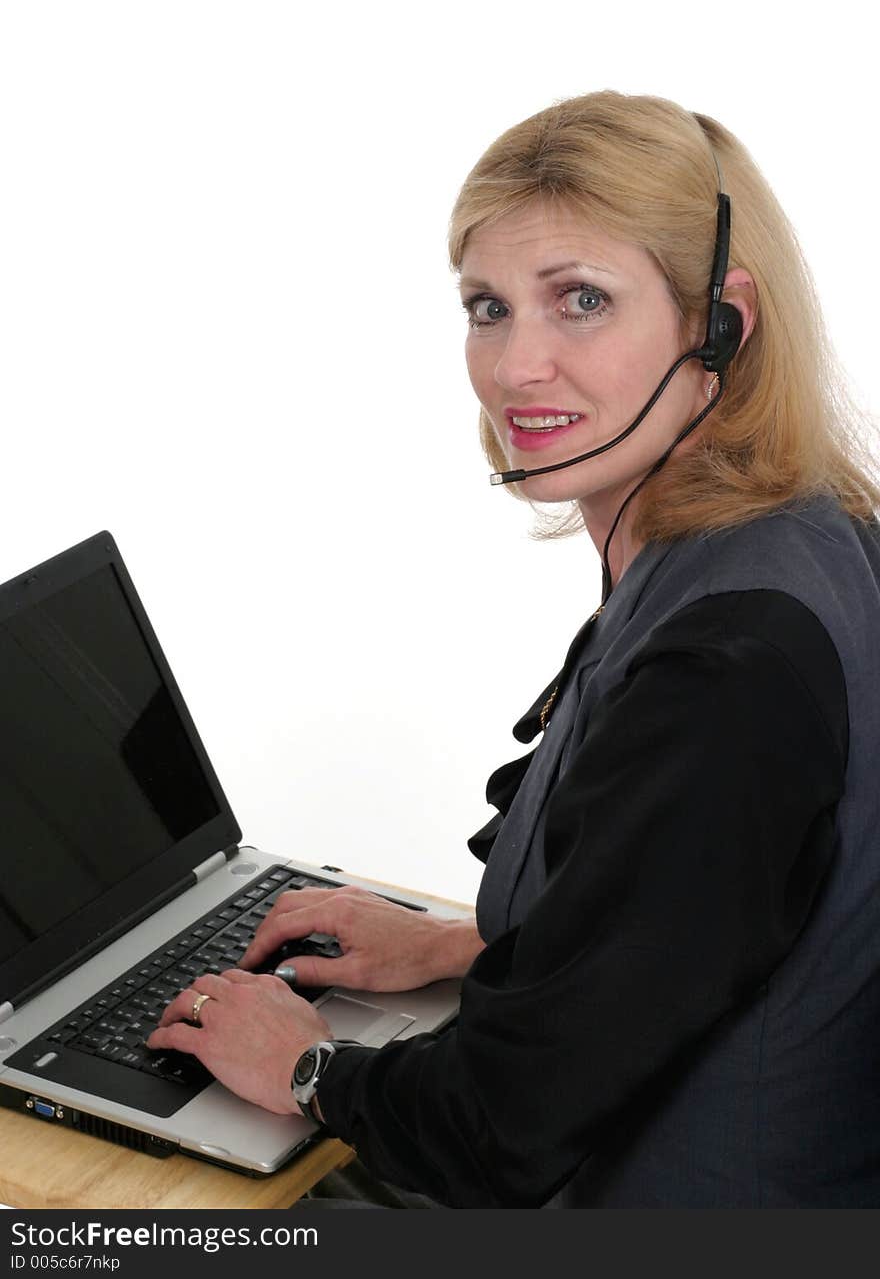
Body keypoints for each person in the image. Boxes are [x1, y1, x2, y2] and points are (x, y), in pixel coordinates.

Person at [147, 91, 880, 1207]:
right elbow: (705, 922)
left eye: (580, 300)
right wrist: (475, 950)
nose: (514, 368)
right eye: (488, 307)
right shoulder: (800, 538)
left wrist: (305, 1065)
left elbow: (501, 1134)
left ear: (720, 321)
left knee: (101, 1217)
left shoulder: (728, 666)